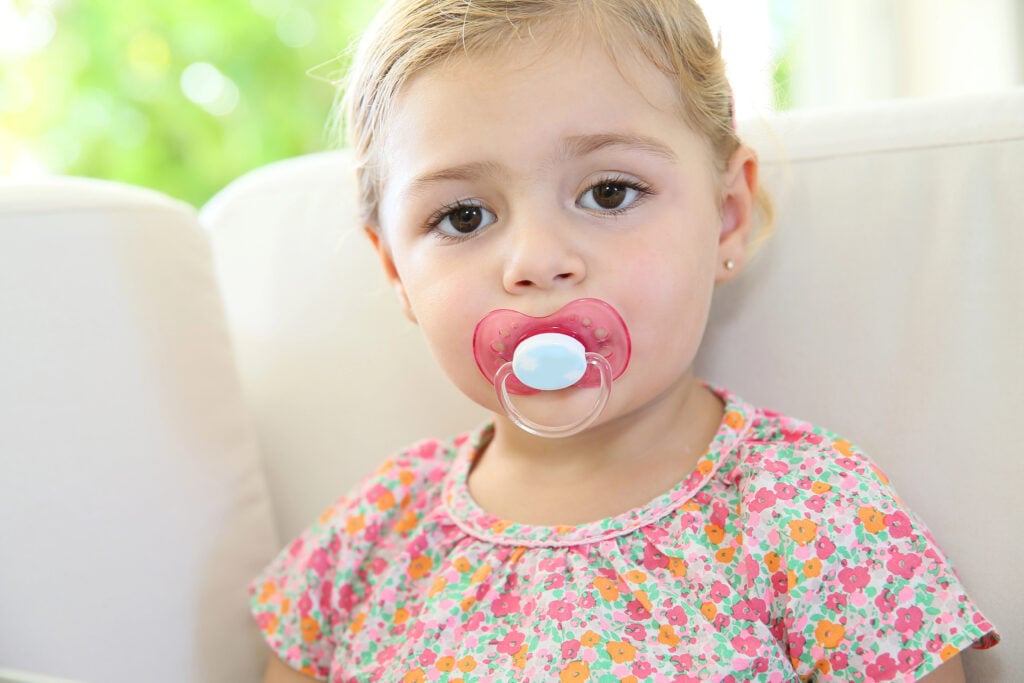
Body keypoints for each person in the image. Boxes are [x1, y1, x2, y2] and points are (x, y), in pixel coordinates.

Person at [251, 1, 999, 680]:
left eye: (610, 192)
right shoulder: (364, 546)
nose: (537, 260)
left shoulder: (812, 514)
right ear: (395, 270)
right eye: (465, 217)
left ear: (727, 216)